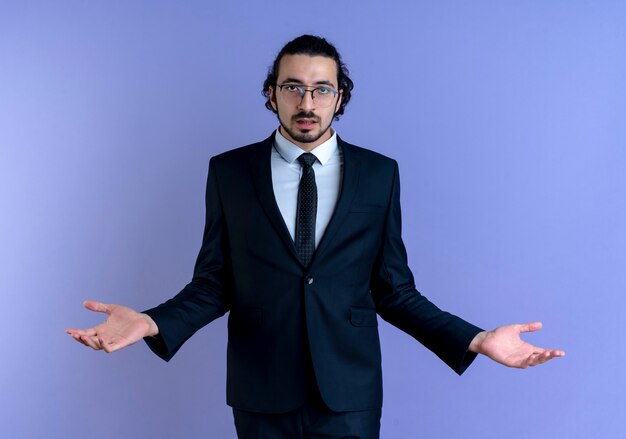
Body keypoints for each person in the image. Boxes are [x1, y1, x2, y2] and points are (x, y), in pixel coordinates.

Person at [67, 35, 565, 439]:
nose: (307, 102)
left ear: (339, 97)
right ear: (272, 94)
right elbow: (216, 282)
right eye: (293, 87)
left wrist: (475, 339)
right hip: (261, 392)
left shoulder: (378, 174)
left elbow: (394, 289)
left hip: (348, 395)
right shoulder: (230, 173)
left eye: (321, 89)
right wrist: (152, 323)